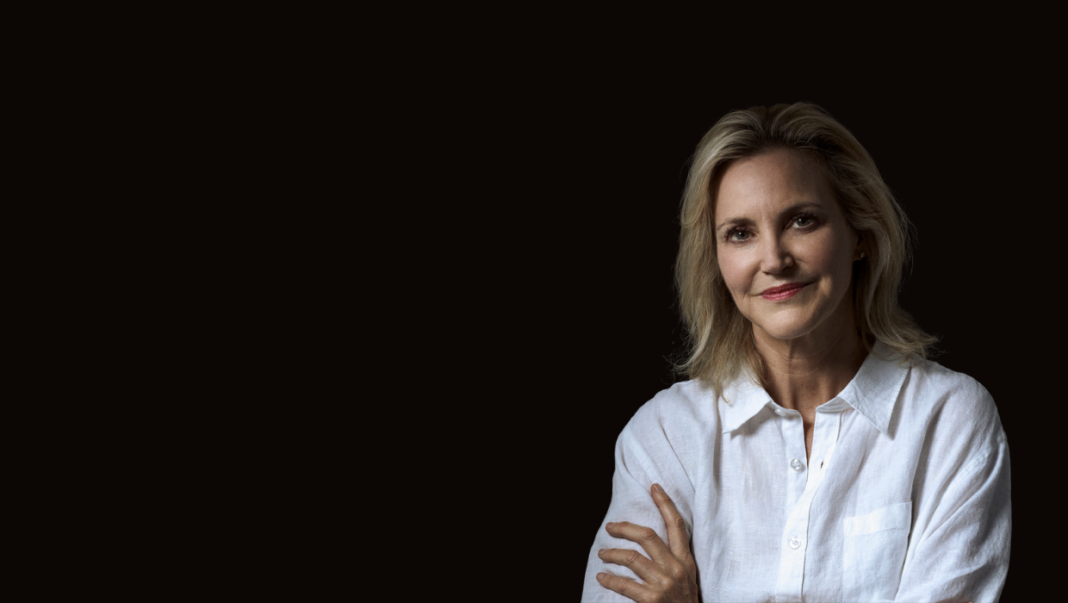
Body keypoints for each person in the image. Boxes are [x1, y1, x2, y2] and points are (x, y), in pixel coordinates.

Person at [581, 103, 1011, 602]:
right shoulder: (664, 435)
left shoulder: (949, 419)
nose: (774, 260)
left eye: (802, 221)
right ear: (716, 258)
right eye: (740, 234)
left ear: (859, 232)